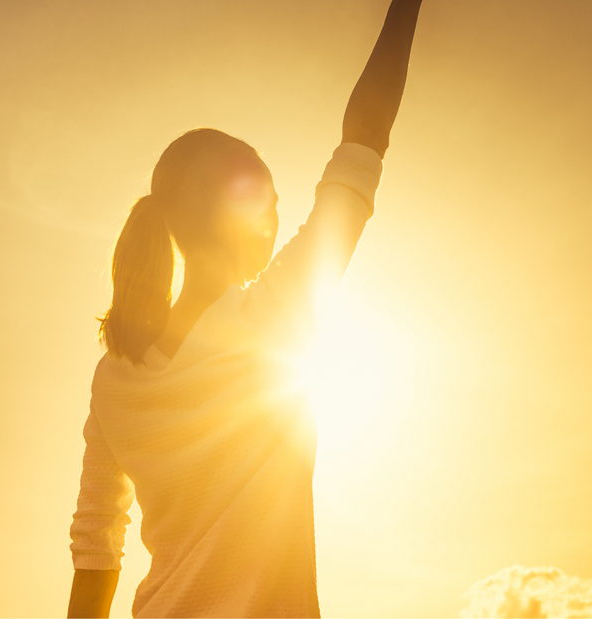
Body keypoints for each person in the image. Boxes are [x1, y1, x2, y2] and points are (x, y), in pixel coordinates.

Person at [66, 2, 422, 617]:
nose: (277, 215)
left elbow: (95, 547)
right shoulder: (272, 317)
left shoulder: (113, 378)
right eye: (266, 196)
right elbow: (364, 141)